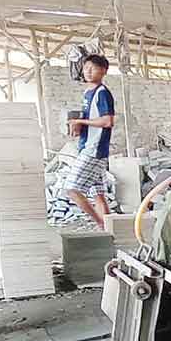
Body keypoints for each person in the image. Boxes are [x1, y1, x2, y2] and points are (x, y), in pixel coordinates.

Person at [63, 54, 116, 229]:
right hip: (87, 146)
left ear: (103, 71)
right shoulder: (87, 93)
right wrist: (78, 126)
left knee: (72, 189)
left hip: (94, 150)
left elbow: (107, 121)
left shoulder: (102, 93)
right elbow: (90, 120)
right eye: (86, 68)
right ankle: (109, 230)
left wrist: (81, 122)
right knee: (98, 194)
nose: (88, 71)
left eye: (92, 68)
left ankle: (100, 222)